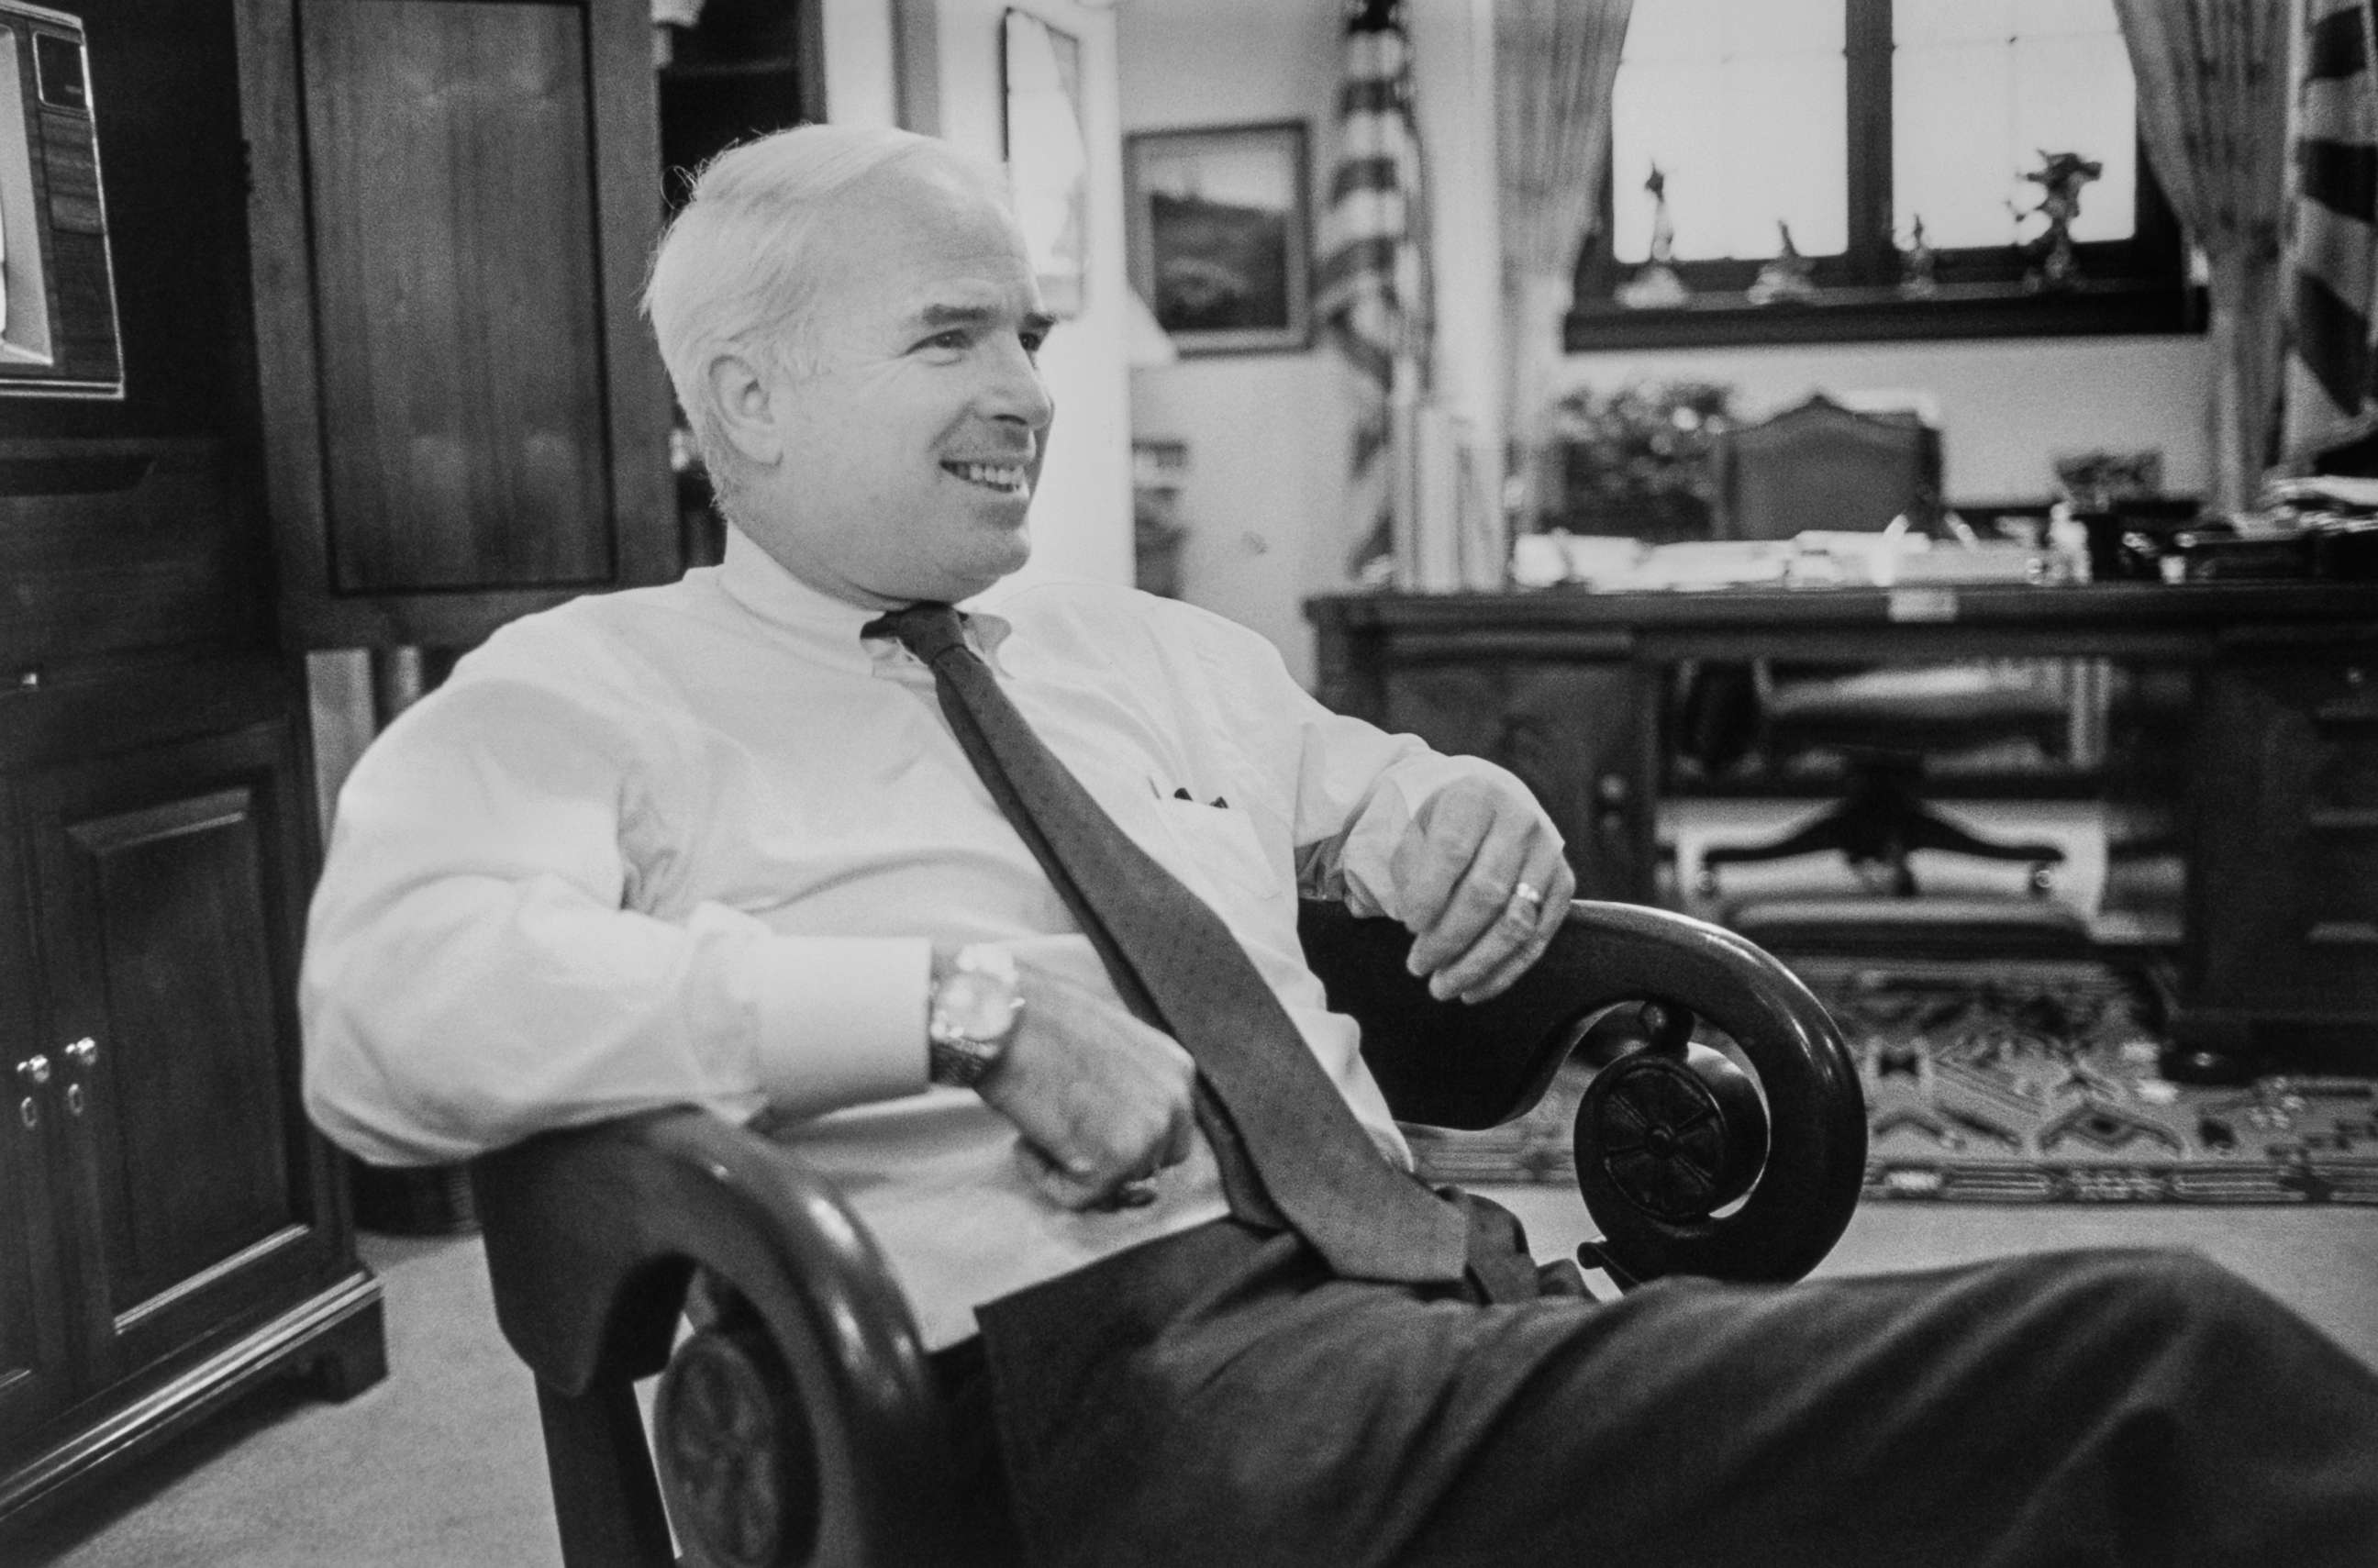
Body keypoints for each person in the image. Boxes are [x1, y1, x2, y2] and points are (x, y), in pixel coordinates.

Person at [301, 123, 2378, 1567]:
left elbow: (1363, 799)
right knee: (2153, 1366)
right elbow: (388, 1013)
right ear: (743, 398)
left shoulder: (1148, 652)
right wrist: (951, 1012)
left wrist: (1451, 817)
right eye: (956, 338)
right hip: (1111, 1401)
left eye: (1030, 333)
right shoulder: (595, 688)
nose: (1031, 389)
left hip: (1432, 1318)